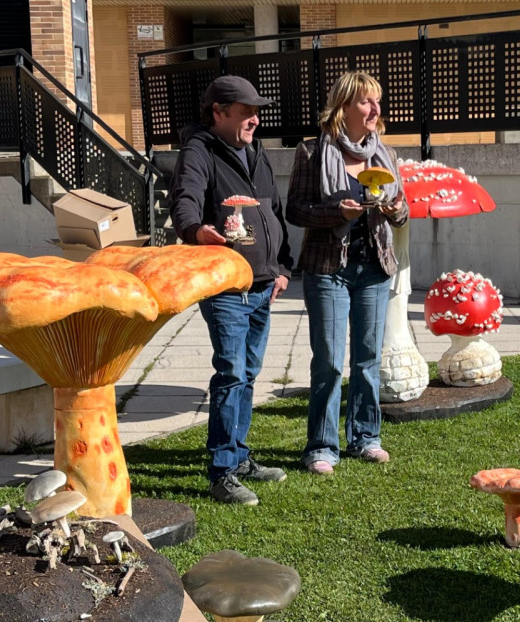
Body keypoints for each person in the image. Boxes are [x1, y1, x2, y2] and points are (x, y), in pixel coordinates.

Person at [169, 75, 294, 505]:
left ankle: (239, 457)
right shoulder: (199, 151)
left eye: (257, 112)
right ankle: (222, 472)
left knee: (248, 375)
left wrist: (282, 268)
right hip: (225, 289)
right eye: (245, 112)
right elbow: (184, 200)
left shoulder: (256, 152)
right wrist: (194, 231)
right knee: (231, 374)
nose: (255, 120)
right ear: (218, 112)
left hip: (263, 286)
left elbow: (274, 211)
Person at [286, 71, 409, 475]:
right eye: (366, 101)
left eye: (377, 100)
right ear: (343, 107)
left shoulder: (385, 155)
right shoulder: (311, 151)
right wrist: (335, 212)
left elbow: (403, 211)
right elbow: (295, 210)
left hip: (374, 267)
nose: (375, 108)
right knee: (329, 361)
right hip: (328, 269)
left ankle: (366, 437)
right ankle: (322, 446)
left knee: (367, 358)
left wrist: (395, 209)